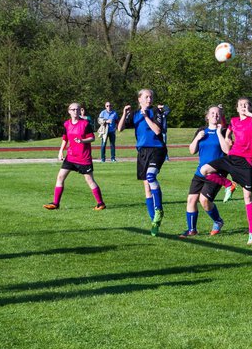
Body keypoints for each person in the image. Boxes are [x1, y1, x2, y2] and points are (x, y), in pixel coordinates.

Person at [196, 97, 252, 245]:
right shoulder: (234, 121)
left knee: (248, 198)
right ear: (236, 108)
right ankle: (229, 184)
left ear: (250, 107)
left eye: (246, 105)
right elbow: (227, 132)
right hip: (232, 158)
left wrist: (250, 114)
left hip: (246, 163)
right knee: (204, 170)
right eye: (241, 105)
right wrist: (227, 138)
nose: (243, 107)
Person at [118, 88, 170, 235]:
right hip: (142, 152)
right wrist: (124, 114)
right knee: (146, 187)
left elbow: (158, 131)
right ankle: (155, 221)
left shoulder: (156, 112)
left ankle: (159, 208)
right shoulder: (134, 114)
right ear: (139, 99)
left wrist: (146, 116)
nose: (149, 99)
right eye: (146, 97)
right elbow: (120, 128)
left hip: (157, 149)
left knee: (151, 176)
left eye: (151, 97)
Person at [44, 102, 106, 211]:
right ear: (69, 111)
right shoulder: (66, 124)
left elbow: (92, 138)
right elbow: (65, 138)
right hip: (71, 157)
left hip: (83, 158)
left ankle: (100, 204)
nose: (75, 111)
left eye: (77, 109)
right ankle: (55, 203)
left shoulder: (85, 124)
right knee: (60, 177)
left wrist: (82, 140)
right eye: (73, 109)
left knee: (90, 180)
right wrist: (60, 151)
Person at [180, 106, 229, 237]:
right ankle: (192, 230)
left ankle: (218, 221)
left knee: (204, 200)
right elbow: (191, 150)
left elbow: (227, 151)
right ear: (207, 116)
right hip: (200, 172)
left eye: (217, 114)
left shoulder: (224, 131)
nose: (215, 115)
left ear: (220, 116)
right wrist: (197, 138)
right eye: (212, 113)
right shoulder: (201, 131)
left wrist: (219, 134)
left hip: (216, 173)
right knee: (191, 200)